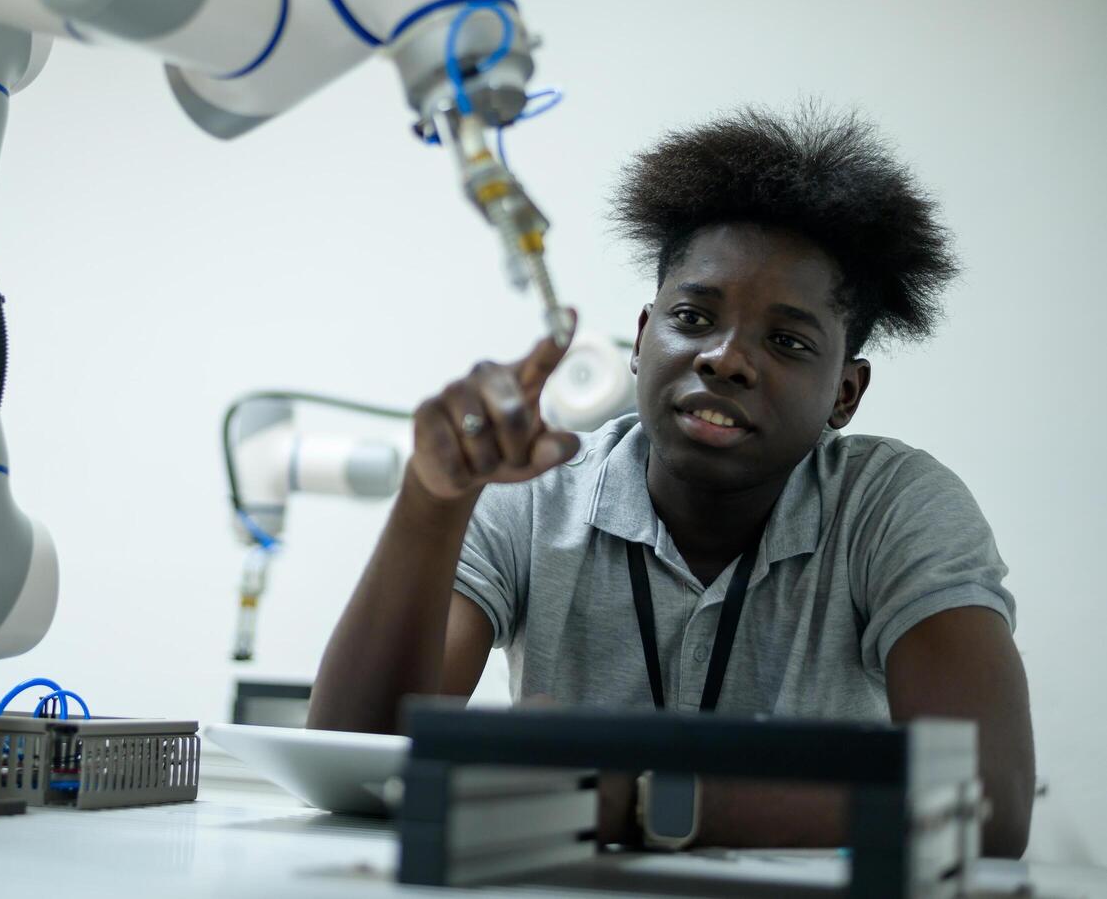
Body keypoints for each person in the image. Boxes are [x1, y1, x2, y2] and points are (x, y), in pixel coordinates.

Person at [307, 106, 1033, 857]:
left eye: (785, 341)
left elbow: (987, 802)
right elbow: (351, 768)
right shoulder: (536, 493)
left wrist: (627, 799)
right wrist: (432, 500)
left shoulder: (893, 507)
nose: (724, 358)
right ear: (642, 335)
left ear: (844, 394)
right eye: (691, 316)